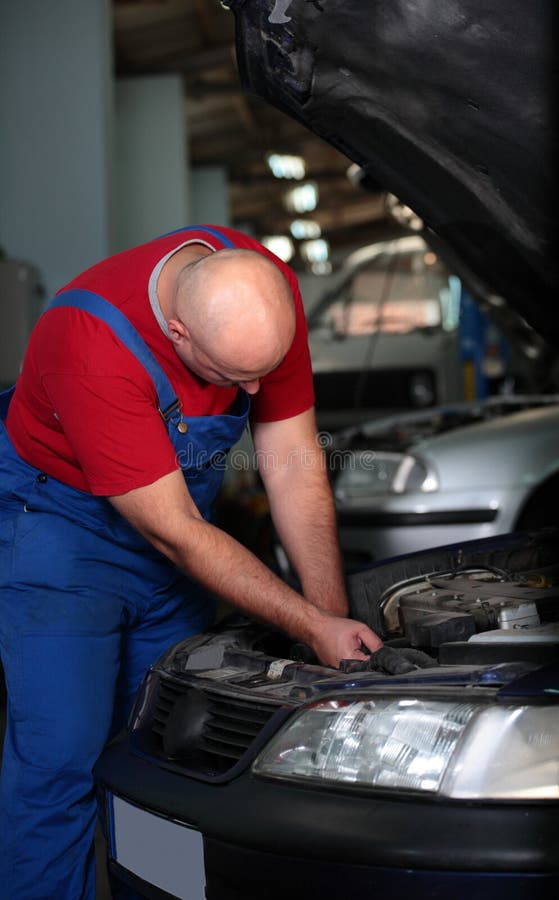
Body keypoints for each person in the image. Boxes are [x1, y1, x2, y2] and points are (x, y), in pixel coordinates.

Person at [0, 224, 382, 898]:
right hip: (63, 537)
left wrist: (325, 623)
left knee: (174, 750)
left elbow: (293, 468)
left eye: (266, 367)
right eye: (238, 378)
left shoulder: (259, 299)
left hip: (179, 542)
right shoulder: (87, 341)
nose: (259, 385)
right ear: (178, 335)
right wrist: (303, 622)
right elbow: (172, 531)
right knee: (61, 761)